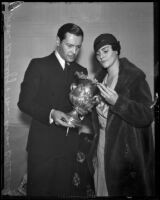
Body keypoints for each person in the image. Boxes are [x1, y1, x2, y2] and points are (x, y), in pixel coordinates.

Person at [17, 23, 95, 197]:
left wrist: (83, 112)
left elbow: (80, 106)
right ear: (58, 41)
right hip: (42, 148)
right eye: (69, 45)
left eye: (78, 47)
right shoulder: (38, 65)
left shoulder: (81, 71)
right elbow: (24, 102)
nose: (74, 51)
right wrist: (51, 113)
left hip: (69, 148)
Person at [88, 33, 155, 196]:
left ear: (116, 50)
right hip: (102, 144)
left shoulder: (134, 78)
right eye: (98, 54)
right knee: (102, 189)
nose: (101, 56)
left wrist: (118, 102)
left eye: (105, 51)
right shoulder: (100, 80)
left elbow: (147, 115)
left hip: (125, 153)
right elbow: (101, 116)